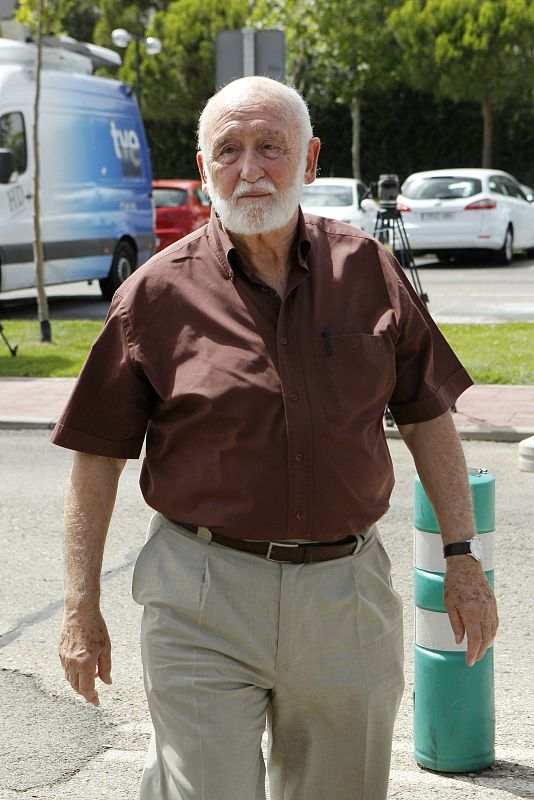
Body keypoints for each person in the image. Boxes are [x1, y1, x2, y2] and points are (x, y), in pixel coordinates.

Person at [52, 76, 498, 800]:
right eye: (228, 150)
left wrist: (462, 561)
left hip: (345, 593)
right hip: (202, 595)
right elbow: (98, 455)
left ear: (310, 160)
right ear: (203, 171)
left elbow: (427, 417)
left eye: (270, 147)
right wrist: (80, 610)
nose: (250, 168)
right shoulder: (154, 297)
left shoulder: (370, 273)